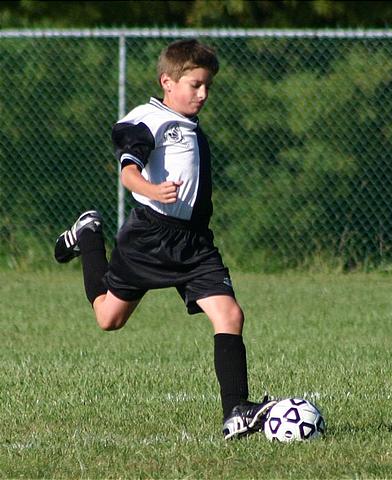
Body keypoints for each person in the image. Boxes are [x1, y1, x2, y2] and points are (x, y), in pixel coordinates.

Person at [54, 38, 275, 440]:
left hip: (194, 244)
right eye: (195, 84)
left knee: (230, 316)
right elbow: (128, 172)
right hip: (150, 238)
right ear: (167, 82)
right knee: (108, 319)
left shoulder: (189, 124)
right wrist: (152, 190)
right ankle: (88, 235)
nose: (203, 93)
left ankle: (236, 412)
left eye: (207, 85)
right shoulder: (146, 121)